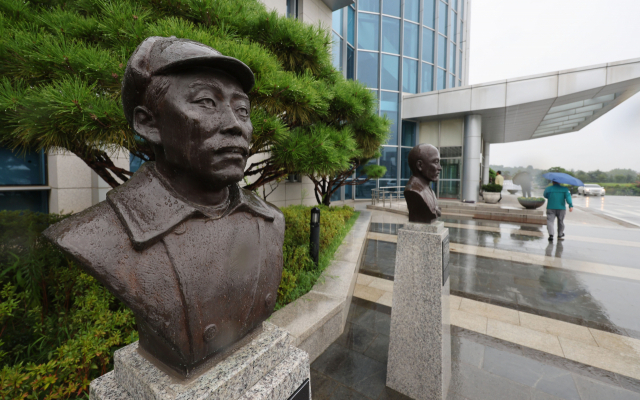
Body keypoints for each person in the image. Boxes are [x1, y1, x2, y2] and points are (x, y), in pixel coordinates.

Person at [43, 37, 285, 376]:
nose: (236, 125)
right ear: (149, 123)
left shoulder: (270, 221)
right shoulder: (96, 236)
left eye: (242, 109)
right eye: (206, 102)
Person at [404, 144, 442, 223]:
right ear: (420, 165)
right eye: (435, 162)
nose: (440, 168)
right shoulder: (413, 191)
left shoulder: (429, 190)